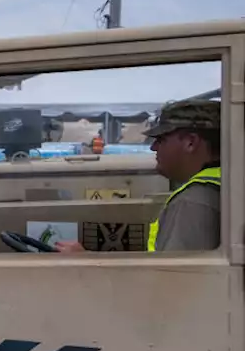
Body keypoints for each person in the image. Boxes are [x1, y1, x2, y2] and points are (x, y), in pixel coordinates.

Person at [58, 99, 220, 254]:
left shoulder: (193, 202)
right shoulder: (222, 185)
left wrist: (88, 263)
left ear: (190, 142)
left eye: (161, 139)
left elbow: (173, 278)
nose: (153, 147)